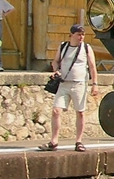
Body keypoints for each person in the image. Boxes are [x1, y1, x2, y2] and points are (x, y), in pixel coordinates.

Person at [39, 23, 99, 152]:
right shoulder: (63, 46)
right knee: (56, 111)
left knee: (80, 113)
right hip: (64, 83)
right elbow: (55, 61)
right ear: (71, 35)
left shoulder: (86, 48)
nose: (81, 37)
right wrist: (55, 70)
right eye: (78, 34)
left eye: (83, 34)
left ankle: (79, 141)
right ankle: (54, 141)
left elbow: (93, 67)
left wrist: (95, 84)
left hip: (79, 84)